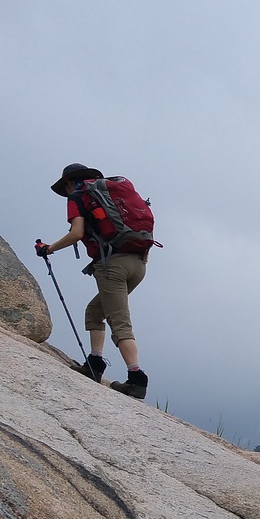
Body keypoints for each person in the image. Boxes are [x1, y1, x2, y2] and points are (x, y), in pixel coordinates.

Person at [37, 163, 151, 399]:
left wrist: (50, 249)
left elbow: (76, 233)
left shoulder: (78, 197)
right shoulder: (112, 194)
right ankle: (95, 363)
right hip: (139, 263)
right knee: (95, 310)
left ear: (69, 183)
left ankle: (137, 378)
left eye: (65, 187)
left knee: (119, 321)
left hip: (112, 265)